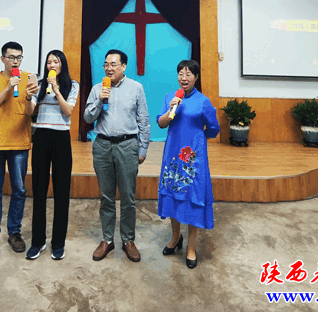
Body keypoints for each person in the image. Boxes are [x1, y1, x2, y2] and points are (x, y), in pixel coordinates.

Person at [84, 49, 150, 262]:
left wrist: (142, 149)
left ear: (123, 66)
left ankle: (128, 240)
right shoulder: (97, 88)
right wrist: (99, 100)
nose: (108, 68)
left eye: (113, 64)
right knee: (106, 196)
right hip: (102, 146)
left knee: (128, 197)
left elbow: (143, 120)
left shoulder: (136, 88)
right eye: (106, 64)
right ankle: (107, 239)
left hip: (127, 145)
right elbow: (88, 118)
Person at [0, 41, 39, 255]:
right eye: (11, 57)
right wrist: (9, 86)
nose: (15, 61)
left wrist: (28, 97)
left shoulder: (29, 78)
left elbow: (30, 112)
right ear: (3, 59)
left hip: (19, 143)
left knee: (19, 190)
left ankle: (14, 232)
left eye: (19, 57)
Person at [156, 60, 220, 269]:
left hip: (193, 157)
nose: (184, 78)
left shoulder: (203, 101)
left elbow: (213, 128)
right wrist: (171, 109)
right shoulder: (171, 97)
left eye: (188, 74)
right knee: (172, 194)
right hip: (173, 154)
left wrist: (198, 139)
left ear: (196, 77)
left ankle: (191, 247)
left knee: (193, 196)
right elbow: (161, 123)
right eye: (180, 74)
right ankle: (175, 238)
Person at [27, 50, 80, 261]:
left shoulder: (72, 85)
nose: (52, 65)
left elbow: (68, 111)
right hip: (41, 137)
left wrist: (56, 90)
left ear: (62, 65)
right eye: (49, 62)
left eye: (55, 61)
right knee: (39, 190)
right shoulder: (40, 85)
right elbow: (30, 111)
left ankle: (58, 243)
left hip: (61, 138)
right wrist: (27, 96)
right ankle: (37, 241)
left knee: (61, 192)